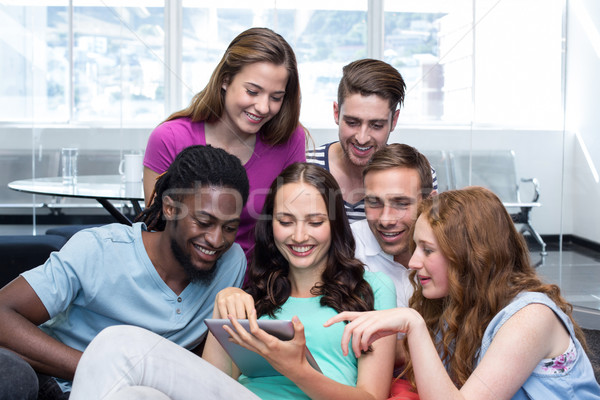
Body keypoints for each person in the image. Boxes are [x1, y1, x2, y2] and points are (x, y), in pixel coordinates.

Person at [69, 163, 397, 400]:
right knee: (132, 395)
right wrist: (223, 304)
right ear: (271, 226)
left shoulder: (373, 289)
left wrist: (297, 368)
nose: (299, 236)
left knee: (118, 345)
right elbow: (212, 381)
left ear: (335, 224)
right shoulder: (255, 289)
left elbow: (371, 397)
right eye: (286, 221)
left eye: (314, 222)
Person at [0, 145, 250, 400]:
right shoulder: (100, 249)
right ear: (170, 209)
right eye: (204, 222)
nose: (216, 240)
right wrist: (100, 368)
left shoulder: (230, 264)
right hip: (57, 381)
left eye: (229, 227)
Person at [326, 187, 600, 399]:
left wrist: (413, 323)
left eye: (427, 250)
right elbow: (412, 360)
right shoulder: (459, 306)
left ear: (469, 256)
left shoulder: (532, 317)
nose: (412, 262)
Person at [144, 27, 307, 260]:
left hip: (258, 284)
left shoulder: (290, 139)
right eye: (252, 91)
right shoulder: (169, 138)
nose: (263, 107)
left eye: (276, 97)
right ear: (225, 80)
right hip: (184, 283)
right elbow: (158, 228)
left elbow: (293, 225)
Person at [306, 58, 436, 222]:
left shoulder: (417, 175)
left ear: (393, 121)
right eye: (352, 123)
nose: (362, 138)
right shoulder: (304, 164)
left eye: (376, 125)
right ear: (336, 113)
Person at [353, 143, 435, 309]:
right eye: (374, 202)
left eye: (400, 203)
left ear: (431, 203)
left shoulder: (454, 254)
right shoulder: (345, 249)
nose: (385, 220)